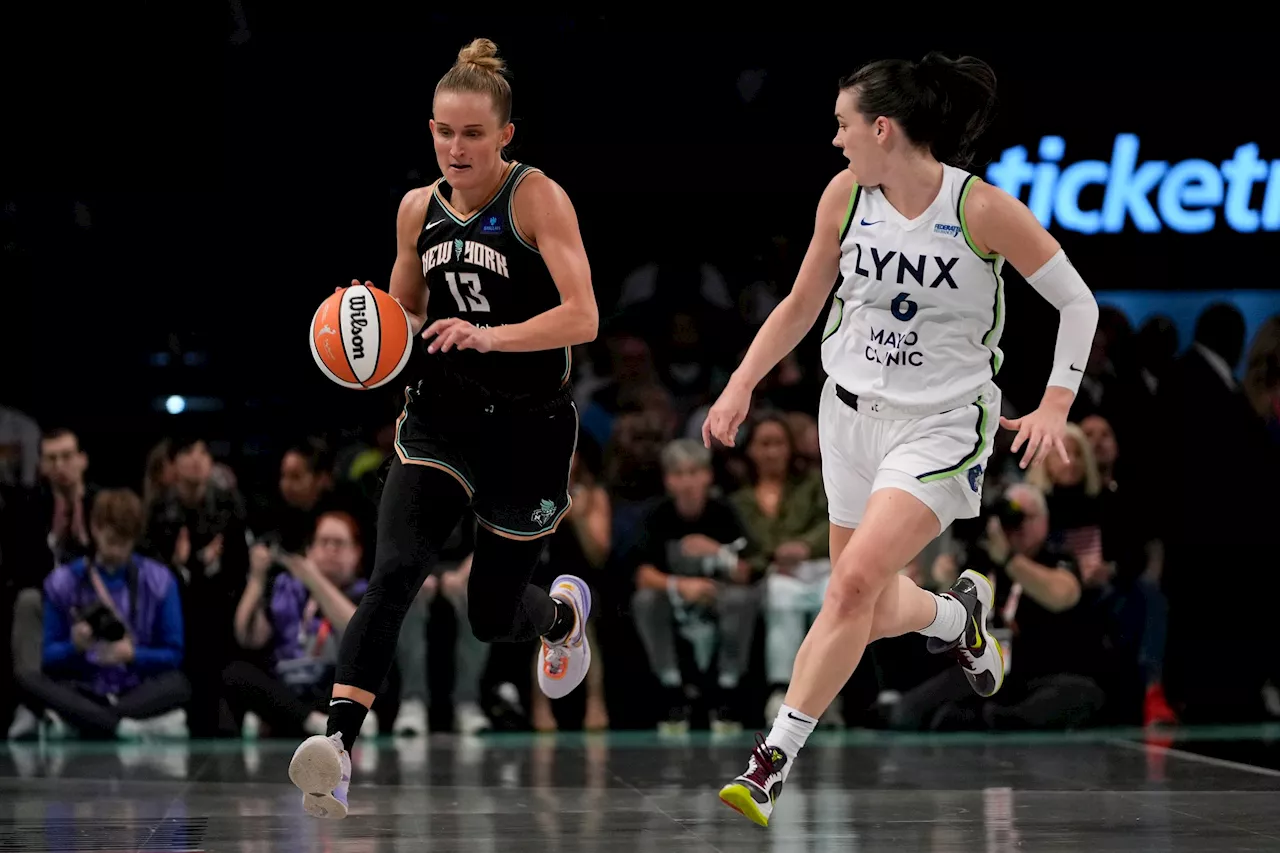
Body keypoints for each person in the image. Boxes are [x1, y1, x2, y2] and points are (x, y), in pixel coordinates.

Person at [705, 52, 1098, 827]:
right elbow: (801, 301)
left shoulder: (980, 209)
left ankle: (770, 761)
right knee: (867, 599)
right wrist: (742, 381)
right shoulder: (846, 196)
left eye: (844, 125)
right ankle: (959, 621)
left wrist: (1056, 402)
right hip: (847, 417)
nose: (836, 140)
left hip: (942, 426)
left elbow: (1077, 303)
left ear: (882, 128)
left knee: (849, 588)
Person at [289, 37, 599, 820]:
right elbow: (408, 321)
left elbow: (583, 315)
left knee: (493, 615)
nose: (455, 148)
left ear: (505, 137)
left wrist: (491, 334)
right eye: (443, 133)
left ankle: (561, 615)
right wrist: (363, 322)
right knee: (394, 572)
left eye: (472, 134)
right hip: (440, 420)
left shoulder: (536, 199)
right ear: (430, 130)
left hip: (528, 427)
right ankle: (338, 747)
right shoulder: (414, 210)